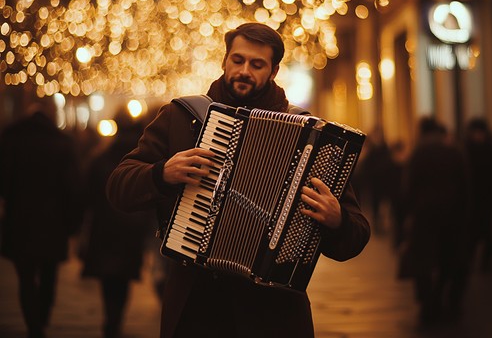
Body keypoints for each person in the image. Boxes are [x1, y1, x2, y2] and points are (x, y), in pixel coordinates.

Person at [106, 22, 371, 338]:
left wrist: (337, 220)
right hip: (196, 306)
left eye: (257, 64)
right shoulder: (180, 116)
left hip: (273, 312)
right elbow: (117, 188)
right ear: (225, 61)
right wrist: (161, 174)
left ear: (272, 71)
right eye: (238, 60)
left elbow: (356, 236)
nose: (244, 70)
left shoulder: (310, 135)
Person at [0, 98, 83, 338]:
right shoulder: (62, 142)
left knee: (25, 278)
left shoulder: (12, 137)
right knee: (49, 274)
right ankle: (43, 317)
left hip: (21, 219)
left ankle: (33, 326)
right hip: (53, 221)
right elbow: (73, 187)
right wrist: (73, 223)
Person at [79, 111, 152, 338]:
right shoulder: (145, 162)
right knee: (124, 279)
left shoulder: (101, 158)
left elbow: (87, 196)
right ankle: (115, 319)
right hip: (131, 231)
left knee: (108, 280)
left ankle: (111, 320)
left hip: (104, 228)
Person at [401, 117, 471, 328]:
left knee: (423, 261)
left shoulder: (419, 153)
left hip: (424, 215)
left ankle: (428, 304)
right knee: (448, 259)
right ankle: (444, 298)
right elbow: (465, 186)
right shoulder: (454, 152)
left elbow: (408, 187)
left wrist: (407, 214)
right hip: (452, 215)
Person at [463, 117, 492, 272]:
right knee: (473, 233)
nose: (477, 136)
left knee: (487, 232)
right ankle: (470, 261)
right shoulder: (466, 149)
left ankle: (485, 262)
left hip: (487, 198)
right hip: (473, 199)